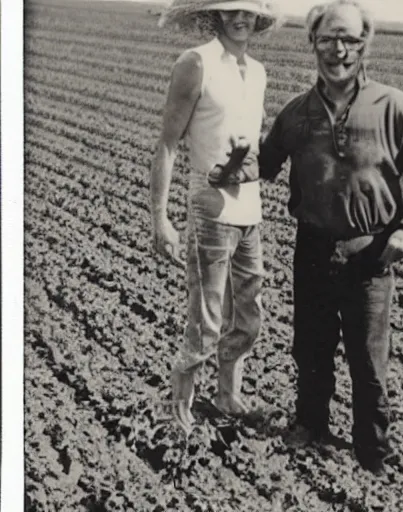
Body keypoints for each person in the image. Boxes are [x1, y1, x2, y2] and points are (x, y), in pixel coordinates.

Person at [258, 0, 403, 475]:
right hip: (313, 249)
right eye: (327, 39)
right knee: (311, 349)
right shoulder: (296, 113)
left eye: (350, 40)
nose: (338, 50)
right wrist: (229, 150)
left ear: (365, 44)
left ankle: (372, 450)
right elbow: (262, 165)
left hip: (370, 253)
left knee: (368, 360)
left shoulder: (392, 105)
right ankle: (310, 424)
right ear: (312, 43)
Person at [150, 0, 280, 435]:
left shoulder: (258, 71)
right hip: (210, 207)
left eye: (248, 10)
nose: (241, 17)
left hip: (250, 209)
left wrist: (251, 165)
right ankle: (179, 405)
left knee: (249, 314)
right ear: (215, 16)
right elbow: (167, 143)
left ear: (259, 18)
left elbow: (253, 146)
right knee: (206, 318)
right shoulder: (195, 63)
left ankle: (228, 395)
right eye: (230, 10)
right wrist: (161, 218)